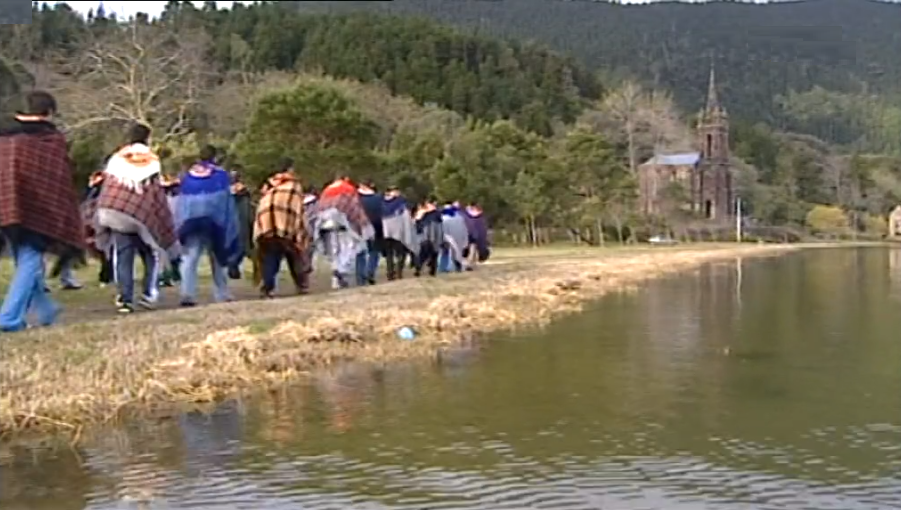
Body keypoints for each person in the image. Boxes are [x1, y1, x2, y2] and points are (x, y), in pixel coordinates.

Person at [0, 91, 84, 331]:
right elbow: (59, 179)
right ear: (48, 113)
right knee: (30, 258)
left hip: (4, 205)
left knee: (24, 257)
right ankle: (9, 317)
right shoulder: (51, 140)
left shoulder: (4, 137)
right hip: (37, 207)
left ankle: (46, 308)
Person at [93, 123, 179, 313]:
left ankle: (125, 299)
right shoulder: (152, 161)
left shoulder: (116, 159)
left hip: (118, 214)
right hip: (143, 217)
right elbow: (156, 193)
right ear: (147, 138)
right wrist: (163, 219)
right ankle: (149, 294)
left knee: (123, 257)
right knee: (151, 254)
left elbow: (109, 188)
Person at [175, 145, 240, 307]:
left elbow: (181, 201)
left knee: (190, 257)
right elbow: (226, 200)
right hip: (214, 221)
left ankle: (187, 294)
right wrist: (229, 224)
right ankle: (221, 293)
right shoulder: (220, 175)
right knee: (218, 257)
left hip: (191, 221)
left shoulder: (188, 176)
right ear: (215, 157)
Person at [252, 158, 310, 298]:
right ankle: (301, 285)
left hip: (265, 223)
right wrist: (301, 231)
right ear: (290, 169)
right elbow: (297, 208)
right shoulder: (293, 185)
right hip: (284, 223)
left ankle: (267, 288)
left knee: (270, 257)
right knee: (294, 253)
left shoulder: (270, 185)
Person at [312, 175, 373, 289]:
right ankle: (342, 272)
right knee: (348, 250)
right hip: (344, 225)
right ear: (345, 178)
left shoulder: (326, 190)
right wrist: (362, 225)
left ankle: (336, 279)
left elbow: (319, 209)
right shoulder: (348, 189)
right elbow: (355, 208)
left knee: (334, 252)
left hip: (326, 226)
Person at [380, 185, 417, 280]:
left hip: (386, 232)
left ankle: (390, 273)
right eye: (396, 191)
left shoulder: (382, 203)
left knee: (389, 254)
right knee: (401, 253)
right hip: (398, 233)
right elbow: (406, 216)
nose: (398, 193)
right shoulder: (400, 202)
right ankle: (398, 272)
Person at [355, 179, 383, 285]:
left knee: (360, 252)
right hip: (377, 227)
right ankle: (370, 272)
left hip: (360, 227)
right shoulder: (378, 198)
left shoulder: (356, 198)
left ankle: (360, 277)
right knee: (374, 251)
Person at [229, 166, 253, 280]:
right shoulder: (229, 193)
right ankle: (233, 266)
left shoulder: (243, 194)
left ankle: (233, 266)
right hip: (236, 221)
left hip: (240, 221)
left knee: (242, 246)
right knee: (240, 245)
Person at [413, 196, 444, 277]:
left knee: (434, 253)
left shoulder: (437, 213)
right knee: (423, 252)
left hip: (434, 235)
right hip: (424, 236)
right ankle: (418, 268)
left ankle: (432, 270)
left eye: (431, 204)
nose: (430, 205)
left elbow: (439, 224)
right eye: (428, 203)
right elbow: (417, 222)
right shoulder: (422, 212)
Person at [438, 200, 470, 273]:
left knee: (449, 253)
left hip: (449, 237)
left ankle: (446, 267)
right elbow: (465, 230)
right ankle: (452, 267)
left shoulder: (444, 218)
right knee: (455, 253)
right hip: (455, 237)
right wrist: (465, 240)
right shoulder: (460, 218)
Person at [463, 201, 490, 269]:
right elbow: (483, 227)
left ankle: (471, 264)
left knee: (472, 250)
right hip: (476, 235)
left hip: (469, 234)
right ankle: (470, 264)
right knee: (473, 250)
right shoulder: (480, 216)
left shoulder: (466, 215)